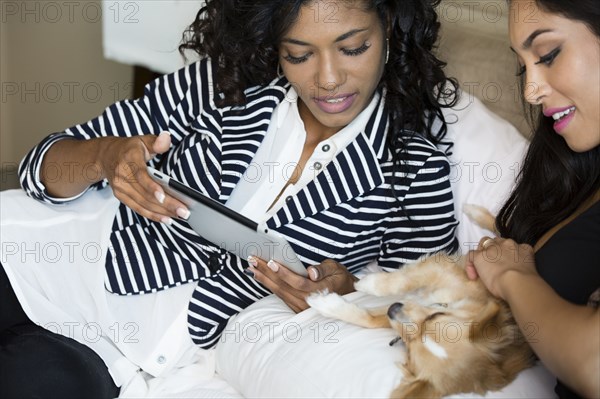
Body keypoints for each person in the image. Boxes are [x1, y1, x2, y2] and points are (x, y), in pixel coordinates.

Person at [1, 0, 460, 396]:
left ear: (390, 31)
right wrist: (105, 157)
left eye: (353, 48)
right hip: (50, 263)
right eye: (298, 55)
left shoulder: (412, 169)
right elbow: (40, 166)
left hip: (133, 355)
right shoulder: (222, 85)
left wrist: (347, 297)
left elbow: (429, 313)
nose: (328, 78)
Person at [466, 1, 600, 398]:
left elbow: (593, 366)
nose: (531, 89)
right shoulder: (577, 174)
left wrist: (513, 278)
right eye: (525, 66)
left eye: (548, 55)